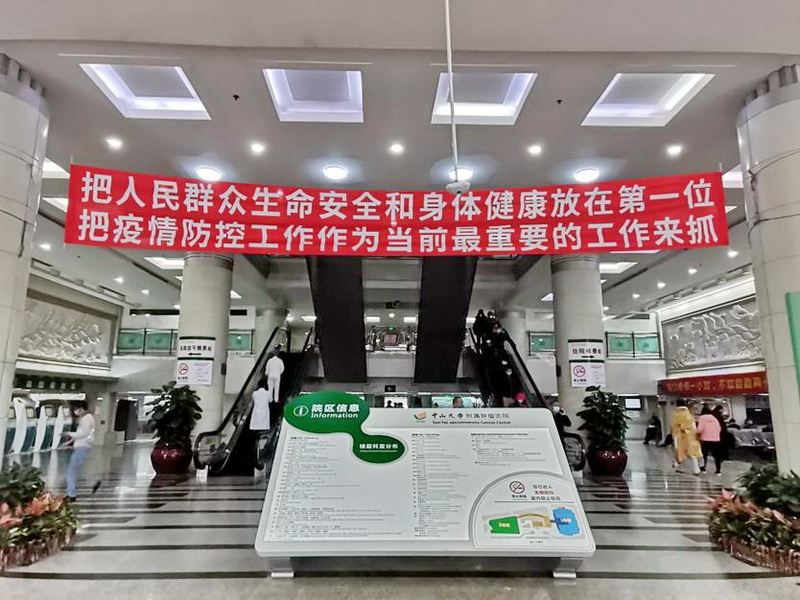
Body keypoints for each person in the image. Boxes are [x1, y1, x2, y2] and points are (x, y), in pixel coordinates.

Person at [64, 401, 97, 501]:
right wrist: (69, 442)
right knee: (78, 470)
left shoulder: (86, 419)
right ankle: (93, 482)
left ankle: (71, 494)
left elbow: (83, 433)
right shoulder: (87, 418)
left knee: (71, 471)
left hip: (82, 447)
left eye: (76, 409)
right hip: (83, 446)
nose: (75, 411)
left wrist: (69, 433)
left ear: (82, 409)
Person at [670, 399, 702, 475]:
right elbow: (693, 426)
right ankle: (696, 469)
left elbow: (673, 426)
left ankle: (681, 467)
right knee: (692, 452)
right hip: (690, 436)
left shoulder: (675, 414)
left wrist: (674, 435)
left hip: (679, 436)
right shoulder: (689, 414)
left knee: (680, 452)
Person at [250, 378, 271, 475]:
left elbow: (254, 400)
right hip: (264, 415)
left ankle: (255, 453)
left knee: (255, 435)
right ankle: (260, 454)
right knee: (263, 435)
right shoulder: (268, 393)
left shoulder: (254, 393)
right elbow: (270, 400)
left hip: (256, 416)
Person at [696, 405, 723, 475]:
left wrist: (695, 432)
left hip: (706, 439)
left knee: (704, 455)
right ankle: (718, 471)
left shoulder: (701, 418)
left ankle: (703, 469)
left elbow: (700, 429)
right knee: (717, 456)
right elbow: (719, 428)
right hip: (716, 439)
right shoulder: (714, 418)